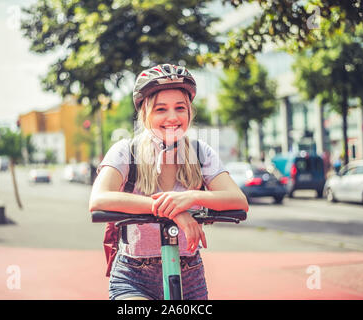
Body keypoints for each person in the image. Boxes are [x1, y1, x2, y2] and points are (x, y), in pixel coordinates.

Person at [89, 63, 248, 300]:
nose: (172, 117)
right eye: (161, 109)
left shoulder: (200, 152)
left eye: (180, 108)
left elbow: (239, 201)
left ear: (189, 112)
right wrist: (171, 211)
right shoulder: (126, 151)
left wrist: (190, 198)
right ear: (145, 113)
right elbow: (99, 199)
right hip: (133, 275)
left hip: (189, 273)